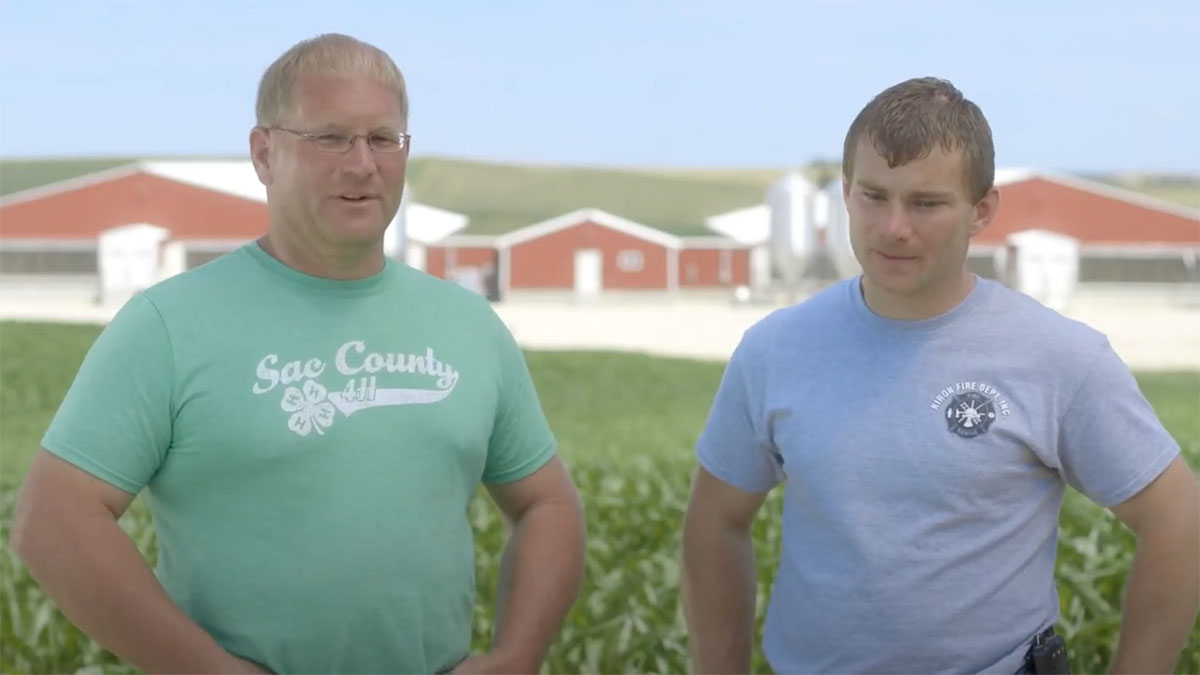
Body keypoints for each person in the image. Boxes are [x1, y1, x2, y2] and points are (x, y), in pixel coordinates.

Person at [11, 34, 585, 674]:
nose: (362, 163)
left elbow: (548, 504)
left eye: (383, 138)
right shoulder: (168, 325)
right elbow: (54, 519)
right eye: (331, 137)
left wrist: (519, 656)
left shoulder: (469, 326)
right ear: (264, 153)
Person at [681, 77, 1199, 673]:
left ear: (981, 210)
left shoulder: (1056, 357)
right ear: (845, 193)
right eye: (874, 196)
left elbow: (1177, 518)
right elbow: (716, 520)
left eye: (926, 203)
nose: (894, 227)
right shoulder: (775, 349)